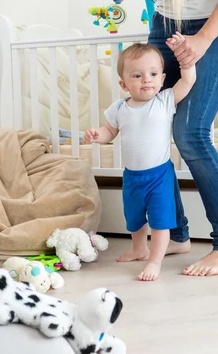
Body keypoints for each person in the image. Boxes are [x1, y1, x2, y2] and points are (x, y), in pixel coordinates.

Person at [111, 0, 218, 277]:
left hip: (215, 24)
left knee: (189, 132)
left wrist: (202, 41)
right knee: (152, 125)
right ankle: (177, 233)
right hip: (165, 24)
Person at [84, 36, 196, 281]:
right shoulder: (119, 108)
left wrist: (184, 57)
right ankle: (138, 249)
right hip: (132, 176)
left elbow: (188, 80)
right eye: (137, 76)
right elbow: (109, 132)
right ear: (124, 84)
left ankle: (154, 262)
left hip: (159, 175)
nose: (147, 79)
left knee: (160, 220)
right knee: (134, 217)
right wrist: (96, 135)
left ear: (162, 79)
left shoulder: (164, 101)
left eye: (153, 74)